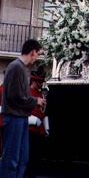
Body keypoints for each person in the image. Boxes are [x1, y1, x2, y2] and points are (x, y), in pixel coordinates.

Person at [0, 39, 46, 178]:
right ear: (32, 52)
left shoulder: (20, 68)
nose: (37, 56)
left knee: (22, 158)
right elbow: (16, 96)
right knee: (12, 158)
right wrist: (35, 101)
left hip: (20, 118)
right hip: (14, 118)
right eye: (37, 53)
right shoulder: (16, 67)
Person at [25, 70, 49, 178]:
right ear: (33, 81)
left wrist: (46, 127)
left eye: (42, 82)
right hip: (29, 128)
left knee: (35, 158)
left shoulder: (40, 93)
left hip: (39, 129)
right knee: (29, 157)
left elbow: (43, 112)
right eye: (38, 82)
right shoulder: (27, 92)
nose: (40, 84)